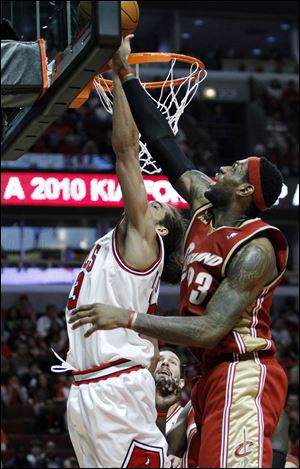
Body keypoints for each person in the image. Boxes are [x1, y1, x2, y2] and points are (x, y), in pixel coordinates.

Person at [69, 36, 289, 468]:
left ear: (244, 191)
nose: (223, 167)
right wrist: (126, 72)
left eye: (235, 168)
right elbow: (161, 141)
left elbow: (210, 329)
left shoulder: (257, 246)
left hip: (242, 367)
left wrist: (127, 318)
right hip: (208, 373)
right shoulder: (204, 202)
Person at [52, 61, 186, 468]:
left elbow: (127, 152)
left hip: (115, 392)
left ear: (158, 232)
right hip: (88, 391)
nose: (148, 205)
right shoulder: (111, 245)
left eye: (155, 208)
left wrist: (118, 72)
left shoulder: (144, 247)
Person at [154, 349, 185, 435]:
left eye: (173, 362)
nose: (165, 363)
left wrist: (161, 412)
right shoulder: (134, 404)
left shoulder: (186, 416)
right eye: (159, 359)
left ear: (181, 383)